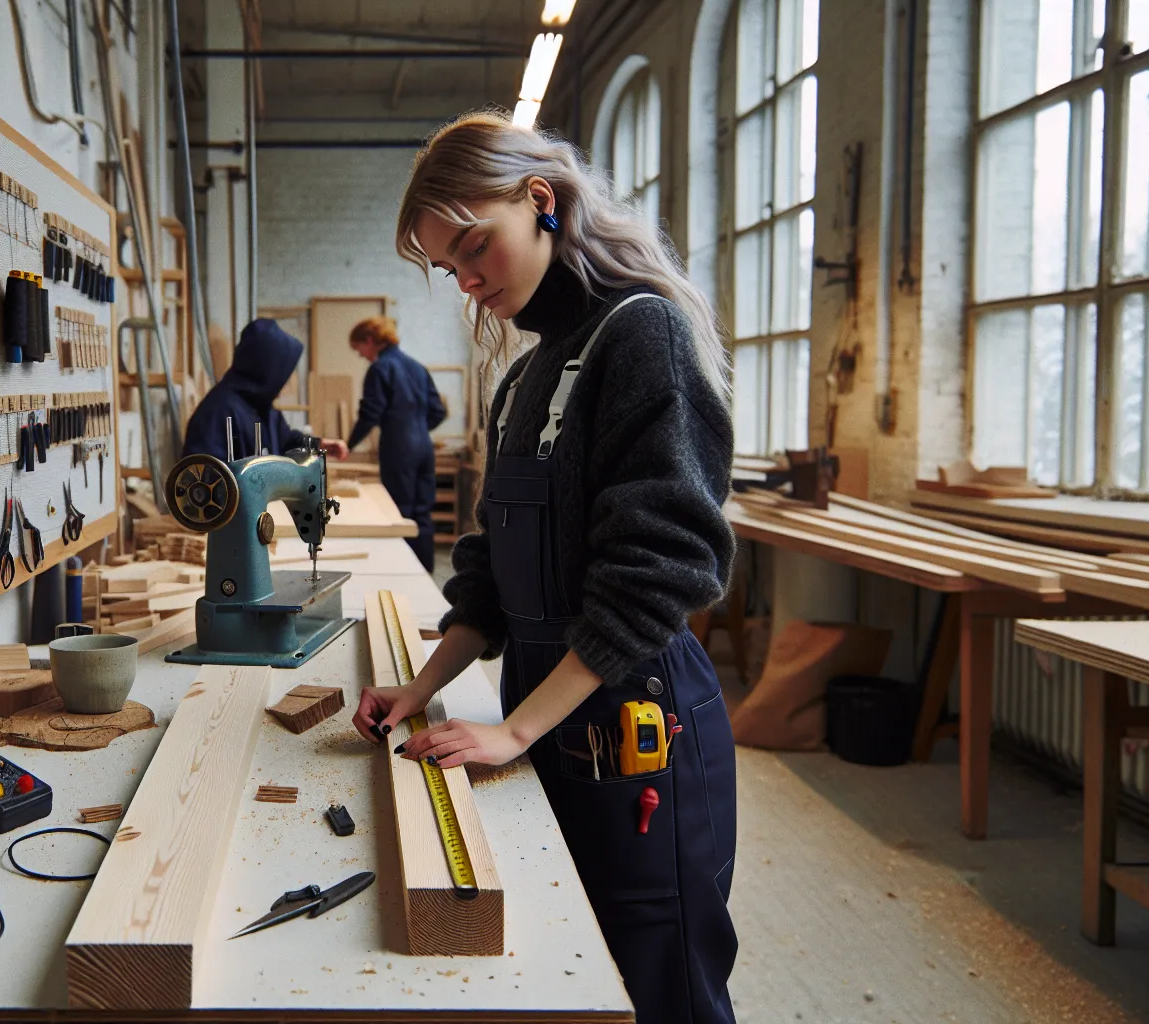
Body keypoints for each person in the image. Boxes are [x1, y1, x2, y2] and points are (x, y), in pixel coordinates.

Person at [351, 112, 738, 1024]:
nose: (471, 280)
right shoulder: (529, 377)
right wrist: (423, 686)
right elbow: (489, 568)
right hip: (547, 705)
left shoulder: (644, 336)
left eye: (476, 247)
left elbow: (658, 571)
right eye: (452, 268)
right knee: (572, 978)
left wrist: (516, 733)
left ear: (541, 200)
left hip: (633, 725)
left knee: (662, 987)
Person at [345, 317, 447, 570]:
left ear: (369, 340)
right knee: (421, 512)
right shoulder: (417, 367)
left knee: (399, 512)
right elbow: (438, 410)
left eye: (359, 349)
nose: (361, 356)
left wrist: (349, 444)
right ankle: (425, 570)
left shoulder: (380, 369)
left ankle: (404, 571)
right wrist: (418, 429)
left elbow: (371, 412)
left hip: (398, 448)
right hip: (424, 447)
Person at [183, 318, 348, 463]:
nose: (285, 383)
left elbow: (285, 441)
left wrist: (318, 444)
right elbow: (202, 478)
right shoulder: (218, 412)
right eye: (282, 373)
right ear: (267, 369)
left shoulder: (261, 406)